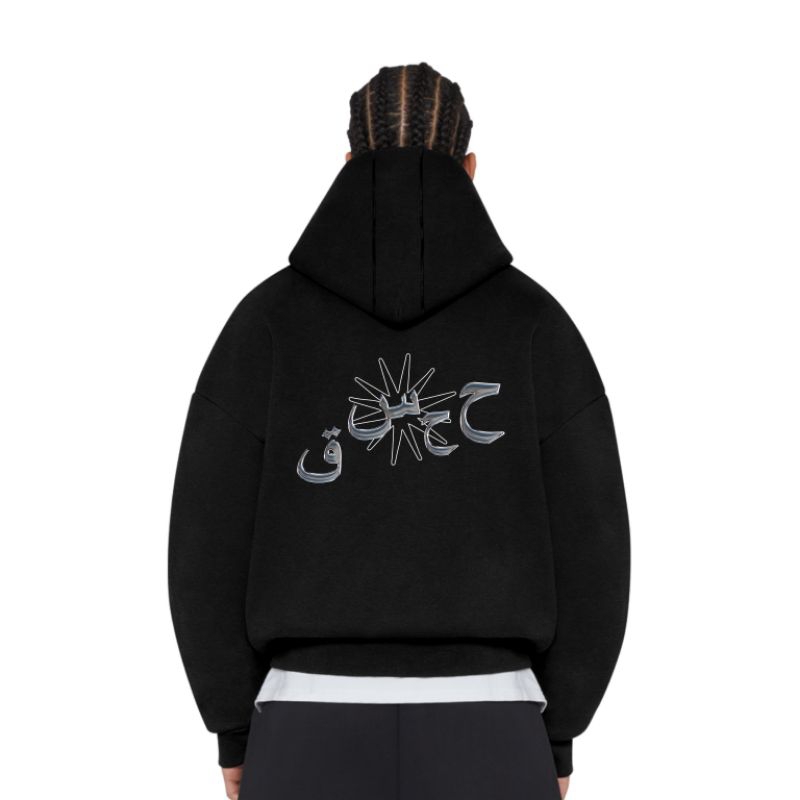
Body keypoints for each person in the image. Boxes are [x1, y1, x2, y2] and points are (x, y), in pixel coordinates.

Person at [168, 62, 630, 800]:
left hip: (302, 725)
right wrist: (559, 731)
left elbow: (203, 542)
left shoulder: (265, 326)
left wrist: (233, 726)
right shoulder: (536, 327)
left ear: (349, 161)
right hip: (495, 726)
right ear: (470, 169)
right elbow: (596, 547)